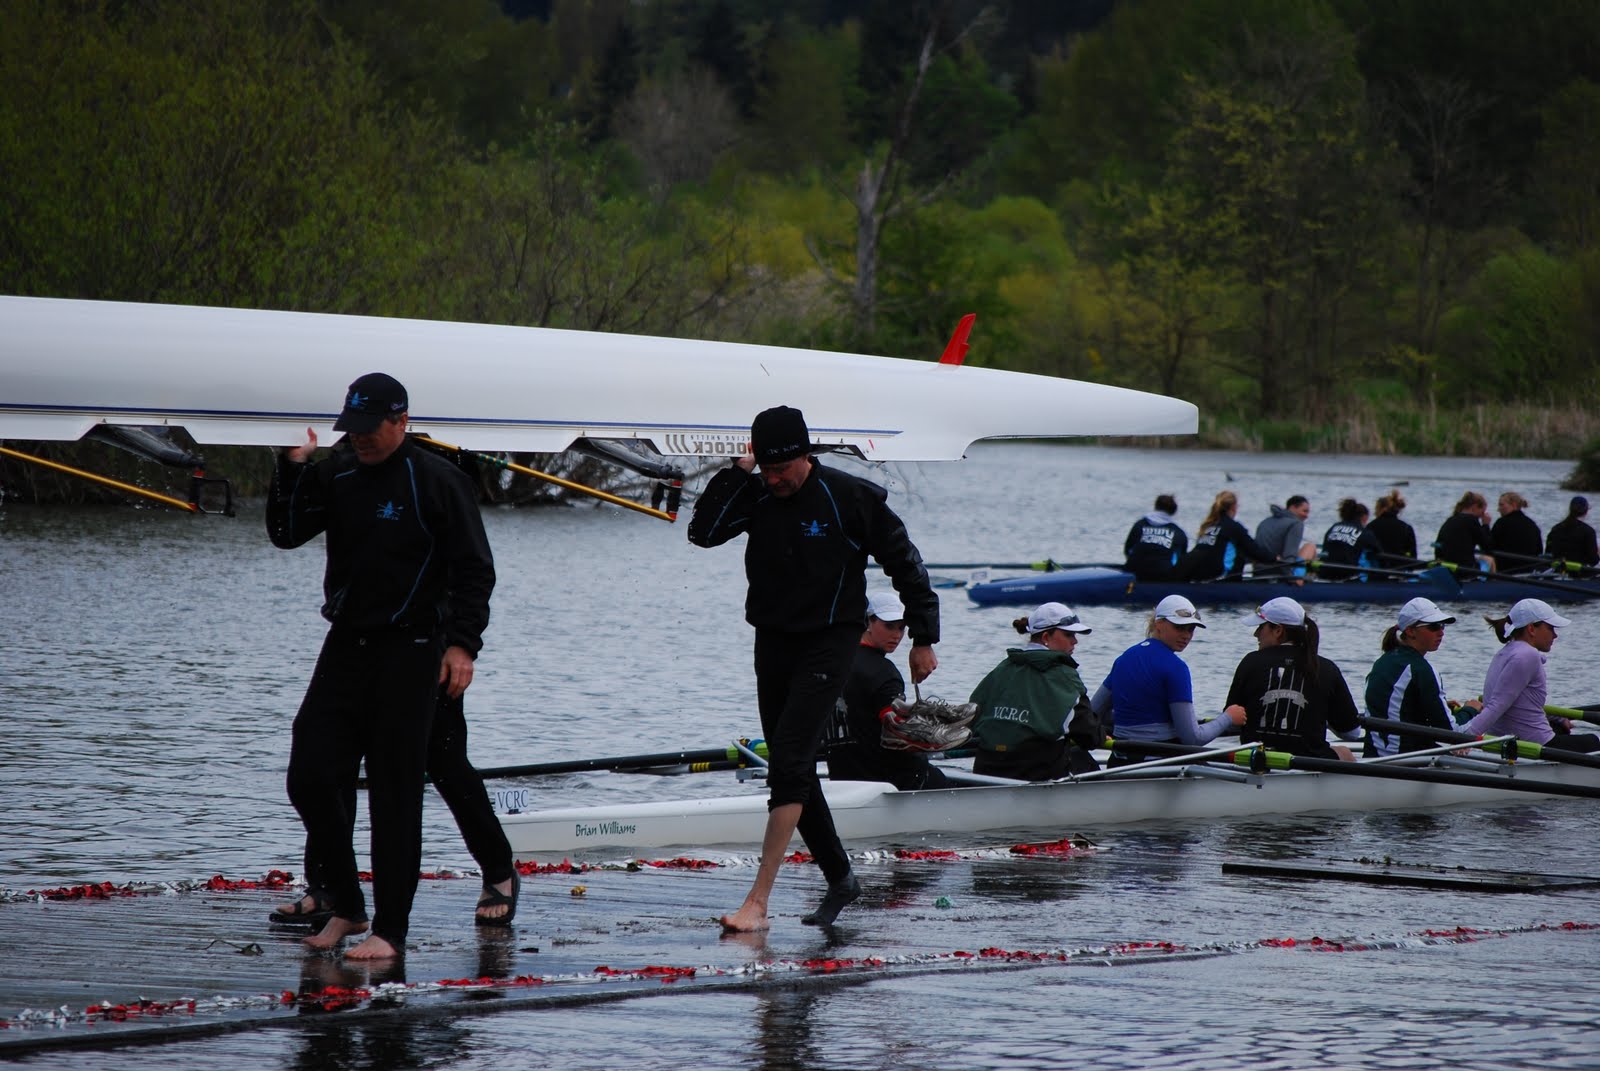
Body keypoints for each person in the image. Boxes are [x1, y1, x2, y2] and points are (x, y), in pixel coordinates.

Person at [266, 372, 496, 960]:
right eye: (353, 429)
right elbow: (286, 533)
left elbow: (475, 572)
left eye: (371, 429)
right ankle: (346, 904)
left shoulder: (439, 481)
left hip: (414, 648)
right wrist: (290, 467)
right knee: (310, 773)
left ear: (402, 421)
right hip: (347, 643)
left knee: (395, 793)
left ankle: (390, 931)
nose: (361, 439)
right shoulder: (337, 470)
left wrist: (462, 644)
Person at [687, 405, 940, 932]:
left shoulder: (848, 497)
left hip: (830, 641)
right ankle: (842, 878)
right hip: (773, 639)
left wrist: (923, 636)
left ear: (806, 455)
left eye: (784, 469)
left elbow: (905, 562)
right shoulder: (757, 492)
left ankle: (758, 902)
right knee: (791, 764)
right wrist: (740, 471)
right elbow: (703, 532)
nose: (776, 479)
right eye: (768, 469)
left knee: (790, 764)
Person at [271, 690, 521, 929]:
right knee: (335, 760)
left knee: (444, 760)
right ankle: (327, 886)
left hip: (427, 658)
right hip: (362, 657)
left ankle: (497, 869)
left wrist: (463, 646)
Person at [1090, 594, 1245, 766]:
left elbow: (1092, 714)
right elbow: (1192, 739)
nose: (1186, 635)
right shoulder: (1175, 667)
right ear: (1159, 624)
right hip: (1160, 766)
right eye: (1180, 628)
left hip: (1119, 762)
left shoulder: (1123, 659)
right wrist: (1228, 717)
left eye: (1191, 629)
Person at [825, 591, 949, 791]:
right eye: (889, 626)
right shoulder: (884, 672)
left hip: (842, 779)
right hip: (889, 780)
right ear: (868, 622)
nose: (897, 635)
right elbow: (898, 733)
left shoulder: (833, 663)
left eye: (901, 628)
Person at [967, 602, 1100, 781]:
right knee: (1082, 758)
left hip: (986, 772)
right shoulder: (1064, 675)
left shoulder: (1003, 668)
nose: (1074, 641)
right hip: (1034, 775)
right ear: (1046, 636)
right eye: (1068, 634)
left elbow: (972, 717)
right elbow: (1088, 735)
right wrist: (1101, 734)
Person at [1223, 597, 1359, 760]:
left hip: (1258, 761)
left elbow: (1230, 720)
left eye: (1260, 627)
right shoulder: (1327, 668)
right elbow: (1352, 733)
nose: (1256, 634)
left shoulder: (1250, 661)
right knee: (1345, 752)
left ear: (1278, 630)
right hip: (1310, 763)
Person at [1460, 600, 1600, 753]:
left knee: (1559, 727)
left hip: (1504, 741)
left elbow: (1518, 702)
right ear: (1531, 628)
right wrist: (1465, 740)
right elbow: (1497, 705)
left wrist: (1558, 719)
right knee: (1594, 741)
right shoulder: (1527, 655)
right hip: (1529, 746)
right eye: (1550, 628)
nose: (1555, 635)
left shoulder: (1505, 652)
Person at [1364, 597, 1480, 756]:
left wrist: (1441, 705)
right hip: (1404, 764)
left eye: (1442, 626)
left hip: (1374, 757)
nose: (1441, 632)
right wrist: (1470, 710)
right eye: (1433, 626)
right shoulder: (1421, 669)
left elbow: (1396, 708)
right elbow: (1452, 732)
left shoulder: (1382, 661)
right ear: (1411, 631)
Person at [1173, 491, 1280, 580]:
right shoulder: (1233, 527)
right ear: (1234, 507)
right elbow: (1254, 550)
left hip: (1197, 574)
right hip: (1219, 576)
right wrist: (1274, 558)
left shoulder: (1207, 525)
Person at [1123, 494, 1188, 581]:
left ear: (1155, 506)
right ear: (1174, 511)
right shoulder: (1179, 533)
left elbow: (1128, 550)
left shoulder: (1140, 524)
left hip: (1134, 573)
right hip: (1161, 577)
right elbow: (1180, 561)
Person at [1318, 498, 1385, 581]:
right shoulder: (1364, 532)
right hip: (1347, 576)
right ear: (1364, 517)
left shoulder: (1334, 527)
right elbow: (1380, 554)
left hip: (1324, 573)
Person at [1253, 495, 1316, 575]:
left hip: (1258, 572)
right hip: (1280, 574)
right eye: (1304, 511)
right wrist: (1292, 578)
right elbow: (1289, 556)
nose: (1307, 516)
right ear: (1293, 508)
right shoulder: (1296, 523)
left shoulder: (1265, 522)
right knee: (1310, 547)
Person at [1434, 491, 1495, 572]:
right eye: (1482, 512)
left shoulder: (1451, 520)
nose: (1482, 516)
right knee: (1489, 559)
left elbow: (1438, 547)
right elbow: (1486, 547)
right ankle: (1491, 583)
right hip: (1463, 569)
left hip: (1444, 566)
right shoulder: (1472, 520)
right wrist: (1485, 525)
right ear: (1474, 507)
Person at [1491, 492, 1543, 573]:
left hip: (1504, 571)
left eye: (1501, 505)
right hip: (1528, 572)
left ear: (1514, 505)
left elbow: (1488, 546)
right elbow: (1539, 550)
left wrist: (1485, 526)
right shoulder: (1532, 525)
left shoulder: (1501, 523)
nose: (1498, 509)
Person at [1367, 489, 1419, 566]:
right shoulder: (1407, 528)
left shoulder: (1371, 526)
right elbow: (1413, 557)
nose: (1375, 513)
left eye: (1376, 509)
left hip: (1378, 571)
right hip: (1400, 571)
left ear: (1383, 509)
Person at [1546, 496, 1599, 568]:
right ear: (1586, 511)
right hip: (1581, 573)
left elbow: (1548, 552)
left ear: (1570, 509)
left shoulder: (1555, 529)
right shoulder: (1589, 532)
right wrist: (1597, 553)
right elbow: (1593, 561)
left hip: (1558, 570)